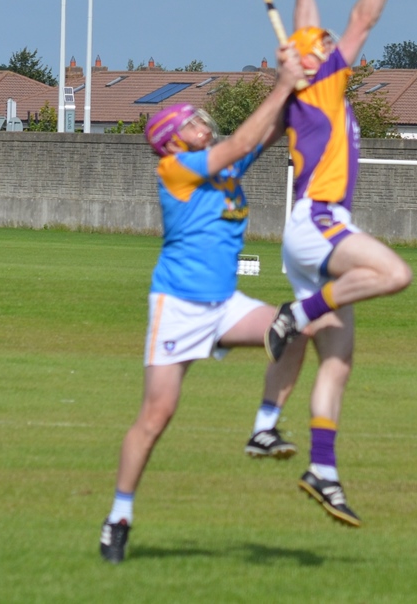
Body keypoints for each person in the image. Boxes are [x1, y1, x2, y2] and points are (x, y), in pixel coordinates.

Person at [98, 43, 306, 564]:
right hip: (179, 306)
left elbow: (269, 130)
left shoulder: (224, 166)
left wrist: (306, 85)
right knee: (156, 417)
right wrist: (281, 83)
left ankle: (264, 427)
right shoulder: (175, 169)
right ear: (173, 139)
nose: (201, 124)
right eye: (191, 121)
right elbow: (240, 141)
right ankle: (118, 516)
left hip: (224, 303)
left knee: (299, 325)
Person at [250, 0, 417, 528]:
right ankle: (296, 314)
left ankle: (304, 455)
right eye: (317, 43)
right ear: (310, 62)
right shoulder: (318, 83)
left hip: (308, 231)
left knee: (338, 361)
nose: (326, 39)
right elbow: (361, 18)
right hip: (318, 222)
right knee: (395, 273)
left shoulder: (314, 83)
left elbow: (307, 25)